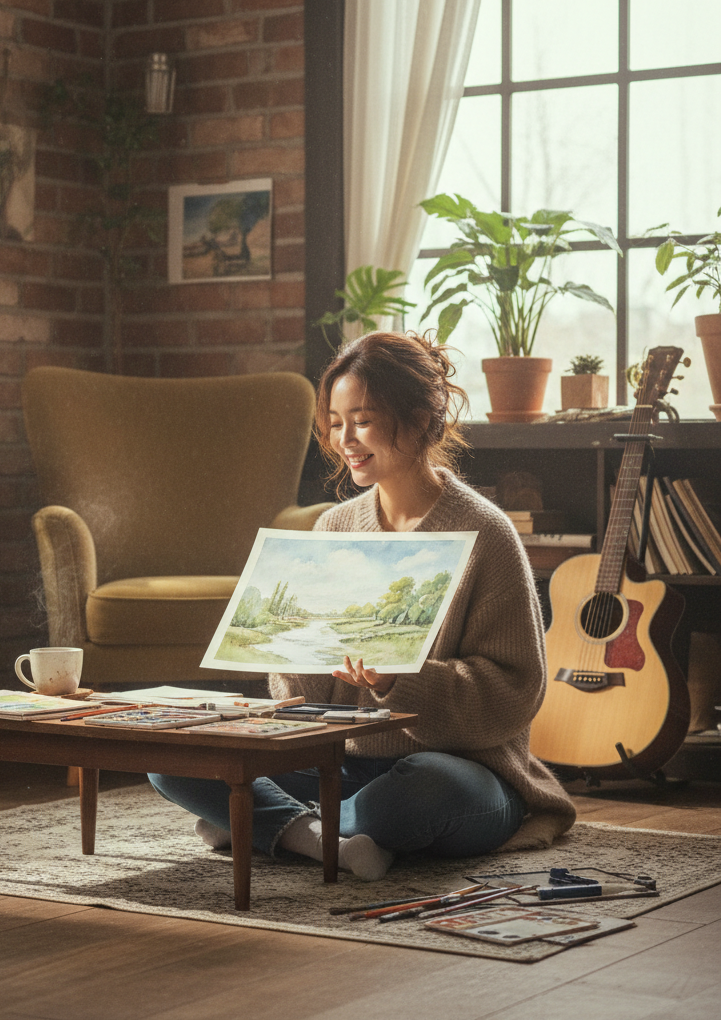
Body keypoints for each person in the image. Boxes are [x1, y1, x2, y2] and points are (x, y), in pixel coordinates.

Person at [149, 331, 576, 880]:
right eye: (335, 421)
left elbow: (515, 691)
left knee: (411, 797)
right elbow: (307, 706)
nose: (344, 438)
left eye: (364, 419)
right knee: (174, 757)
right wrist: (291, 644)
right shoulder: (334, 527)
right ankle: (318, 835)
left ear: (421, 420)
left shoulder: (485, 533)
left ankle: (264, 824)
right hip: (338, 764)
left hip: (460, 772)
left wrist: (402, 679)